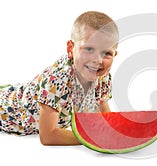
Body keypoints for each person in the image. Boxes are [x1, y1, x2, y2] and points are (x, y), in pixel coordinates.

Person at [0, 11, 119, 145]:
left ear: (115, 54)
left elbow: (105, 120)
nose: (98, 60)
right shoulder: (56, 80)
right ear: (70, 49)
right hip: (8, 112)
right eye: (89, 49)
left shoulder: (102, 76)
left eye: (106, 53)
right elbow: (48, 136)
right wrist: (94, 138)